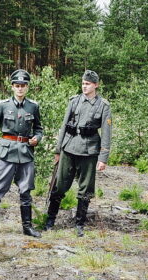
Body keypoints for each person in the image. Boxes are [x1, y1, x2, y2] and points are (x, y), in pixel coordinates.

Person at [45, 70, 112, 237]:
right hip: (69, 148)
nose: (84, 86)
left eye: (88, 84)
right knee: (59, 185)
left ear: (96, 85)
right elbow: (64, 126)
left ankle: (80, 224)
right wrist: (58, 150)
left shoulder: (103, 106)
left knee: (85, 189)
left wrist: (103, 158)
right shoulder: (74, 101)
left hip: (89, 151)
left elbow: (106, 133)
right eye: (83, 83)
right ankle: (50, 219)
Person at [0, 69, 43, 242]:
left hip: (25, 153)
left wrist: (37, 138)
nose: (20, 89)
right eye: (17, 85)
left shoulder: (33, 106)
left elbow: (38, 128)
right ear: (12, 87)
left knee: (26, 191)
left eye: (23, 86)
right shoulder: (3, 105)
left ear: (27, 87)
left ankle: (27, 227)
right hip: (5, 153)